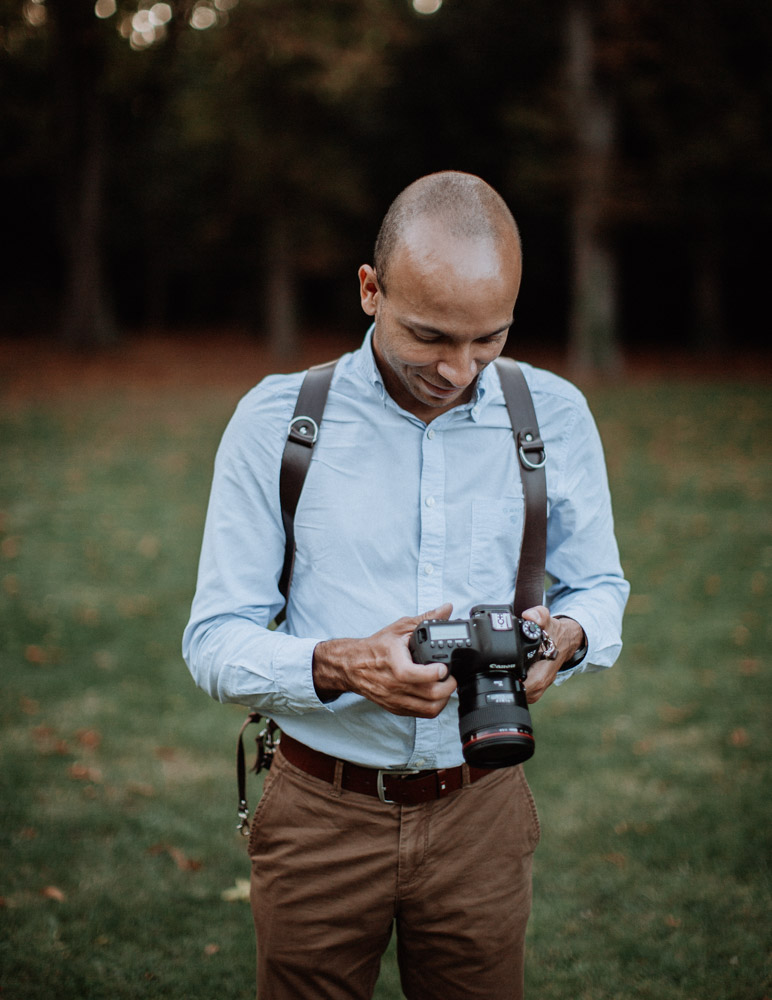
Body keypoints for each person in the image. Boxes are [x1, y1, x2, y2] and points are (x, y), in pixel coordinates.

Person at [182, 170, 628, 1000]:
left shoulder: (554, 415)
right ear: (368, 289)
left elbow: (599, 587)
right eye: (429, 336)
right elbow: (213, 640)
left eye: (488, 339)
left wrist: (566, 640)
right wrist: (345, 666)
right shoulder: (279, 423)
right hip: (318, 809)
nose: (459, 369)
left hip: (483, 809)